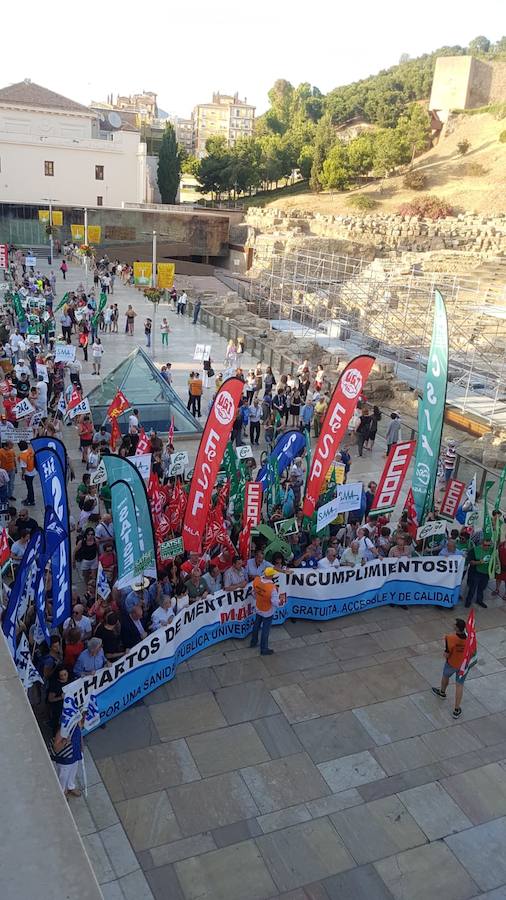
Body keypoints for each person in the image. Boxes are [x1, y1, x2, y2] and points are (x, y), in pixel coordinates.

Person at [432, 618, 471, 719]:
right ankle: (456, 710)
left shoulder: (450, 638)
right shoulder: (470, 638)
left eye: (454, 624)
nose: (452, 625)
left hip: (451, 663)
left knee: (445, 676)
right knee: (459, 685)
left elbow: (446, 654)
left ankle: (442, 693)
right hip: (463, 665)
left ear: (457, 628)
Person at [249, 567, 281, 656]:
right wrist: (280, 602)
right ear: (271, 575)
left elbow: (253, 593)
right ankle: (264, 649)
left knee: (256, 625)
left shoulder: (257, 580)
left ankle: (253, 642)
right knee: (265, 630)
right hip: (268, 611)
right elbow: (274, 602)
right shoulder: (272, 588)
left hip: (258, 607)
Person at [51, 720, 83, 798]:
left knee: (73, 772)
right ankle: (62, 792)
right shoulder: (63, 728)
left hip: (75, 754)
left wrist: (81, 746)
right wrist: (65, 741)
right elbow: (56, 747)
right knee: (63, 776)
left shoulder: (77, 723)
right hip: (65, 758)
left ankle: (70, 787)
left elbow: (80, 735)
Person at [465, 539, 492, 608]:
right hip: (476, 573)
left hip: (486, 573)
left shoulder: (492, 550)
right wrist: (479, 562)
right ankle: (468, 601)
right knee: (472, 588)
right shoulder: (474, 550)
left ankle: (479, 600)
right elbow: (470, 561)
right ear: (481, 544)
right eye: (485, 545)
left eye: (489, 545)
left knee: (482, 588)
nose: (487, 547)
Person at [18, 440, 36, 506]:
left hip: (28, 473)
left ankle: (31, 501)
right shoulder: (30, 451)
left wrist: (22, 475)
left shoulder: (22, 456)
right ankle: (29, 498)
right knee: (30, 486)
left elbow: (23, 468)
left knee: (29, 487)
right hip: (33, 470)